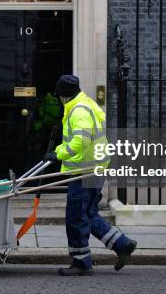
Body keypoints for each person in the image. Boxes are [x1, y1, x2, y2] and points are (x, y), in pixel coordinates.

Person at [45, 74, 137, 276]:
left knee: (76, 216)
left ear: (65, 95)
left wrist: (58, 154)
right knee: (88, 213)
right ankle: (122, 245)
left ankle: (81, 262)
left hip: (85, 171)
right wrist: (57, 151)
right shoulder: (87, 104)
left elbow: (80, 141)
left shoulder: (78, 111)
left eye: (60, 96)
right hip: (94, 168)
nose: (60, 99)